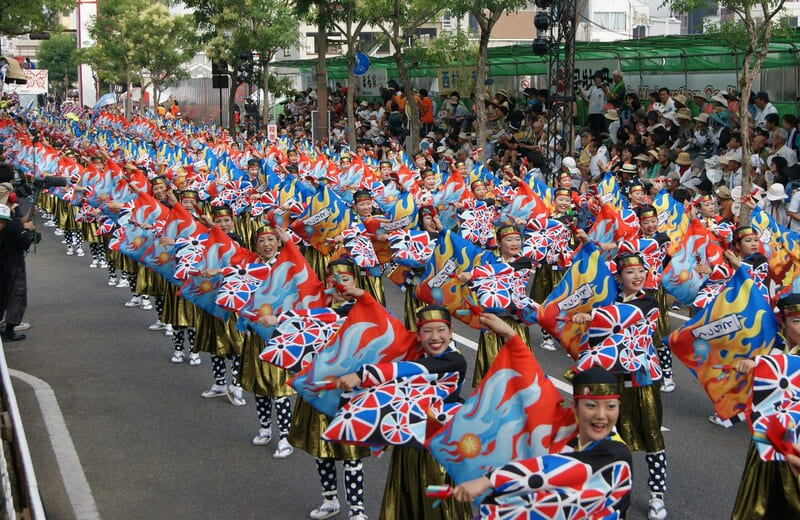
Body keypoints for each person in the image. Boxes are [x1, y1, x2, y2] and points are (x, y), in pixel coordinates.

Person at [336, 305, 473, 520]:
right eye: (427, 331)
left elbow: (409, 371)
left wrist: (366, 374)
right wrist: (357, 301)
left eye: (441, 330)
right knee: (405, 503)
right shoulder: (414, 355)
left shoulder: (454, 361)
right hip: (408, 445)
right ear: (417, 335)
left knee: (438, 508)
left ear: (451, 331)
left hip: (439, 451)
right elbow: (384, 322)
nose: (435, 337)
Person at [451, 362, 632, 519]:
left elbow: (550, 470)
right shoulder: (566, 442)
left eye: (610, 406)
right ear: (574, 408)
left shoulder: (617, 455)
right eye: (591, 406)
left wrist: (490, 480)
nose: (601, 415)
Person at [729, 293, 800, 519]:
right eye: (797, 321)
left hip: (797, 443)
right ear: (783, 322)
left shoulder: (769, 357)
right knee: (756, 504)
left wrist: (759, 364)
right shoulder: (771, 346)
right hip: (766, 438)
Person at [0, 203, 34, 341]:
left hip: (11, 265)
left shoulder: (14, 223)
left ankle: (9, 329)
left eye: (3, 222)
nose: (1, 224)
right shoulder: (14, 224)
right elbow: (25, 243)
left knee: (11, 296)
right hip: (14, 266)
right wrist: (28, 231)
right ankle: (9, 330)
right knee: (16, 295)